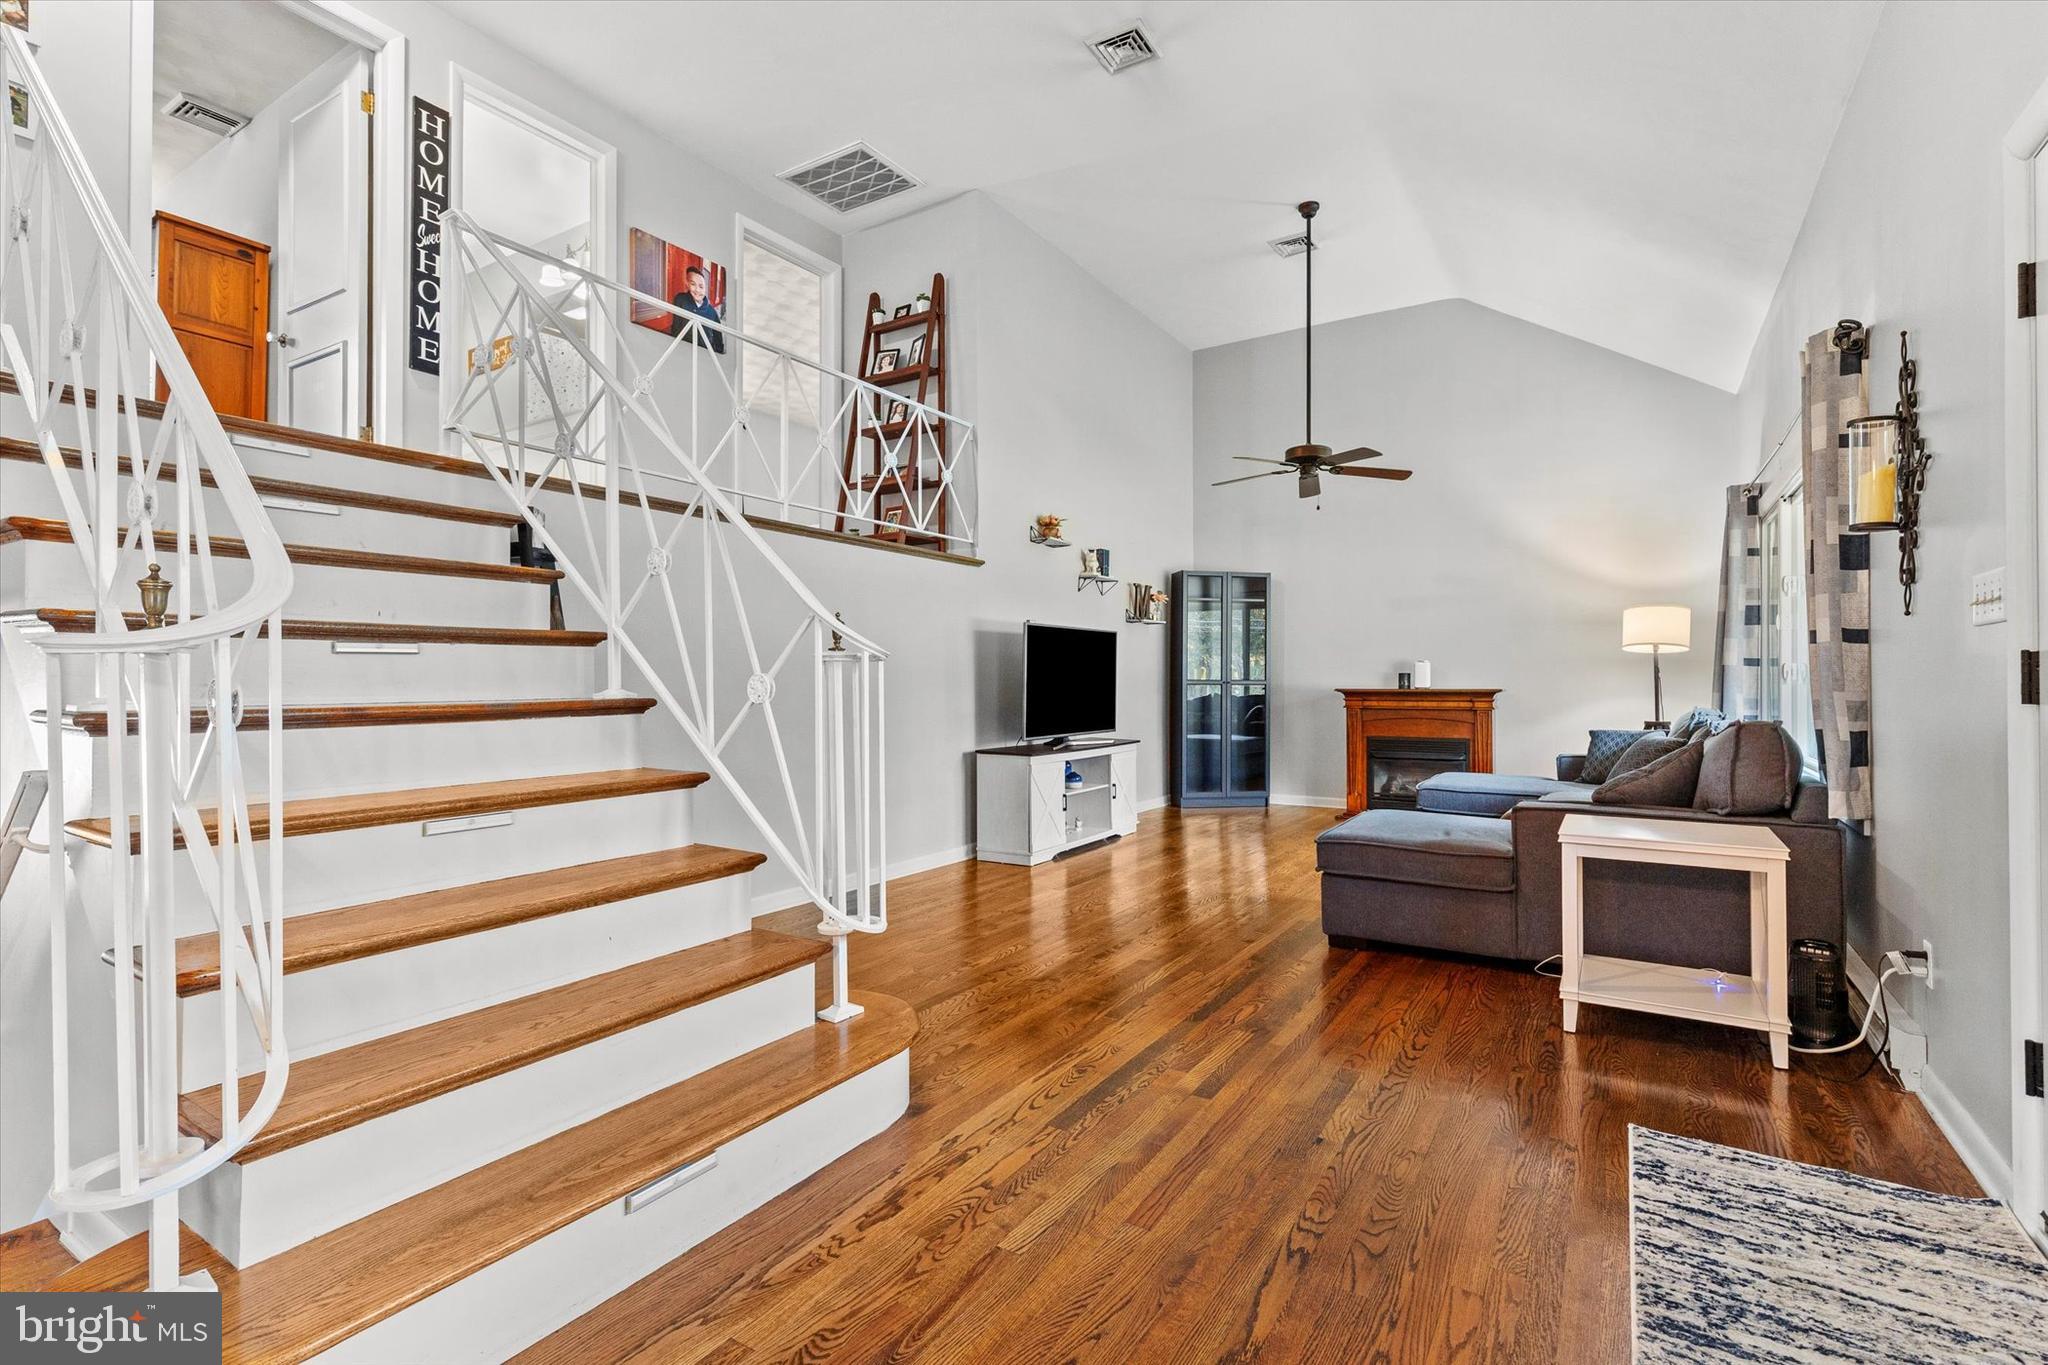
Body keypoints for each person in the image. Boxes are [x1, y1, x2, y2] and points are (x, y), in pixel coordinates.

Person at [668, 263, 725, 353]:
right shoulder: (680, 299)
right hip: (682, 350)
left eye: (701, 286)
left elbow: (718, 339)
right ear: (687, 284)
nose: (697, 290)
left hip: (704, 354)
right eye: (693, 284)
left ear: (705, 288)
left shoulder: (712, 312)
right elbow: (676, 327)